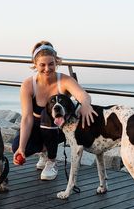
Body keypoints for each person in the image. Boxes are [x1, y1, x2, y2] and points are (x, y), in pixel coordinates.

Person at [12, 40, 97, 180]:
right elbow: (27, 118)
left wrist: (85, 105)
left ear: (56, 62)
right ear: (35, 64)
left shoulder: (64, 80)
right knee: (19, 148)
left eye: (51, 64)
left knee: (49, 116)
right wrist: (21, 147)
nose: (47, 68)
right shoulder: (28, 85)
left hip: (57, 128)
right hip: (36, 126)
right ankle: (44, 151)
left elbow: (83, 95)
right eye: (42, 65)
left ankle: (52, 161)